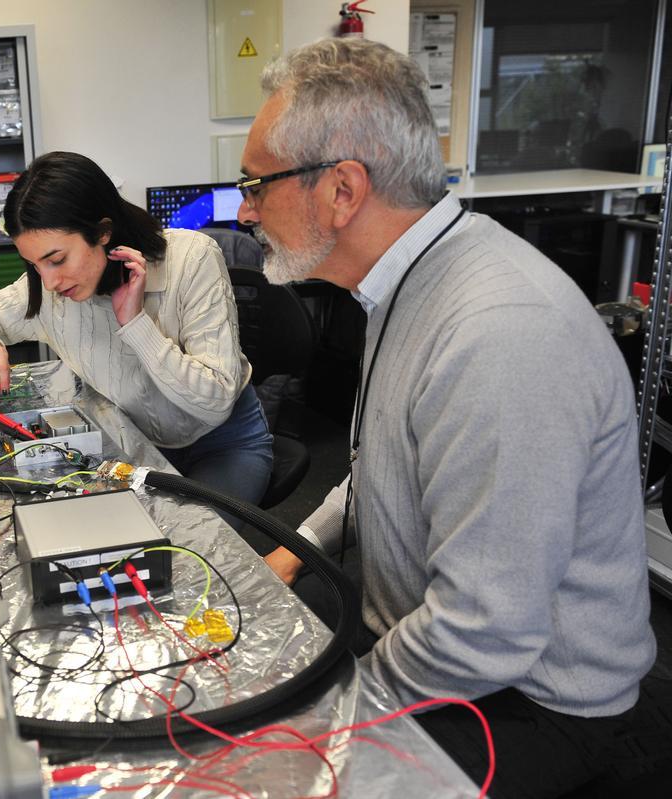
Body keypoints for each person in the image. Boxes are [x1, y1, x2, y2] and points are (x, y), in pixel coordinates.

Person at [239, 38, 663, 797]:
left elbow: (485, 630)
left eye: (257, 182)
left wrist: (341, 715)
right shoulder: (404, 284)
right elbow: (382, 461)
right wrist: (296, 548)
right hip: (433, 643)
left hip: (531, 700)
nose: (244, 209)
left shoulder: (499, 330)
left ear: (342, 189)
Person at [0, 151, 274, 514]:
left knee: (191, 551)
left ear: (103, 231)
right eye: (34, 264)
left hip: (222, 444)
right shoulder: (50, 288)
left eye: (57, 259)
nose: (50, 281)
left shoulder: (192, 259)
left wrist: (136, 323)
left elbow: (215, 401)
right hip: (135, 447)